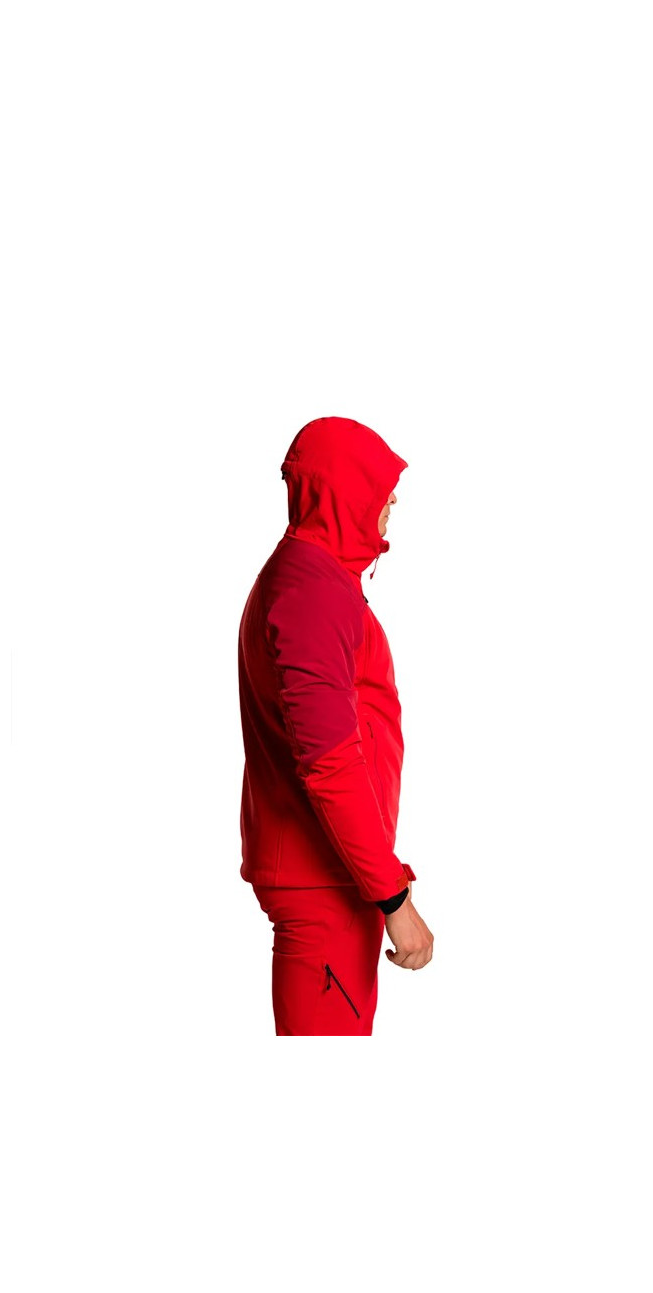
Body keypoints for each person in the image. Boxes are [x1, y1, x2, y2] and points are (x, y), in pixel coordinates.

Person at [237, 415, 434, 1036]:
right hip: (325, 880)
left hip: (339, 875)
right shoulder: (312, 595)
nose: (392, 501)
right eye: (380, 487)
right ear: (345, 493)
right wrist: (393, 896)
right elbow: (329, 761)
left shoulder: (318, 581)